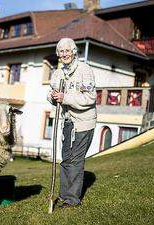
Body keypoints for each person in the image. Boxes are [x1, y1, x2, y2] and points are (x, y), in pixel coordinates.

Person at [47, 38, 97, 208]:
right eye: (61, 51)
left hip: (84, 122)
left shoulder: (85, 70)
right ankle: (64, 195)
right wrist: (53, 96)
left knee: (76, 161)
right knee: (66, 159)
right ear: (58, 54)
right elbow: (51, 95)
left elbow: (90, 98)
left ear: (74, 52)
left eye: (68, 50)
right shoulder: (58, 73)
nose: (65, 54)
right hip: (67, 122)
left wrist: (65, 97)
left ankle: (72, 200)